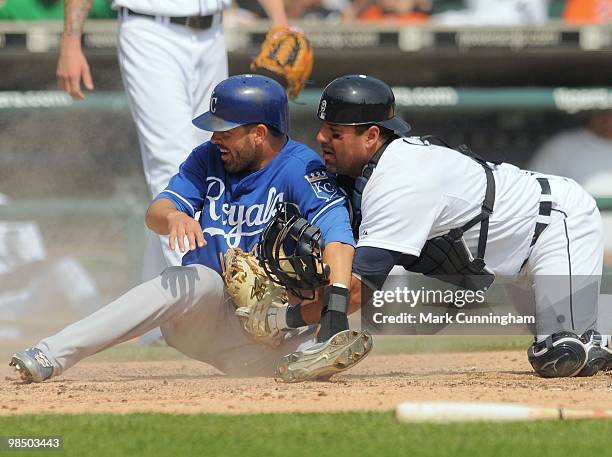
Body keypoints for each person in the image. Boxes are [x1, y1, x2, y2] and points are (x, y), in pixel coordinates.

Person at [8, 75, 370, 384]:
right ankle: (50, 354)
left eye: (224, 130)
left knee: (335, 312)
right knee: (192, 277)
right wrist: (175, 217)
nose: (215, 138)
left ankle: (295, 359)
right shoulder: (207, 159)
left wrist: (334, 311)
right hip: (206, 318)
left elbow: (336, 230)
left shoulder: (299, 167)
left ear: (259, 133)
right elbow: (156, 212)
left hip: (275, 331)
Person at [309, 74, 612, 378]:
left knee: (560, 354)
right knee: (559, 349)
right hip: (507, 257)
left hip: (554, 224)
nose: (321, 137)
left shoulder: (401, 179)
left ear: (372, 136)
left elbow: (358, 290)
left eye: (335, 132)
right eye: (322, 127)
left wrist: (286, 319)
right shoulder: (370, 173)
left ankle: (598, 339)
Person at [56, 0, 290, 283]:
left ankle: (157, 317)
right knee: (176, 172)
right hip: (151, 30)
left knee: (215, 166)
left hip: (214, 32)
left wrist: (278, 20)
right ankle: (201, 311)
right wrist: (71, 39)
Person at [529, 111, 612, 265]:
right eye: (604, 110)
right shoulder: (562, 147)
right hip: (575, 260)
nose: (608, 118)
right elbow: (533, 207)